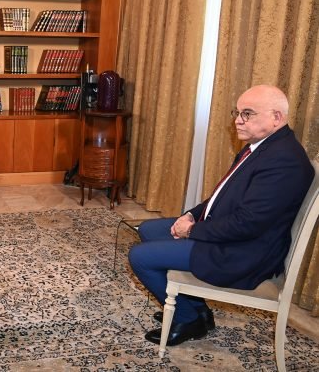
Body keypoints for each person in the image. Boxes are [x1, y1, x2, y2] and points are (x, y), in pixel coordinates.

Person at [129, 85, 314, 347]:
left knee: (140, 257)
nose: (238, 120)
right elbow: (221, 195)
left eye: (247, 113)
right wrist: (191, 215)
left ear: (276, 117)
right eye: (237, 112)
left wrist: (191, 230)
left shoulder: (285, 161)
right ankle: (198, 311)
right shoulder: (262, 147)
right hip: (231, 236)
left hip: (242, 252)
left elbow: (247, 224)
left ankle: (187, 318)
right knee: (149, 230)